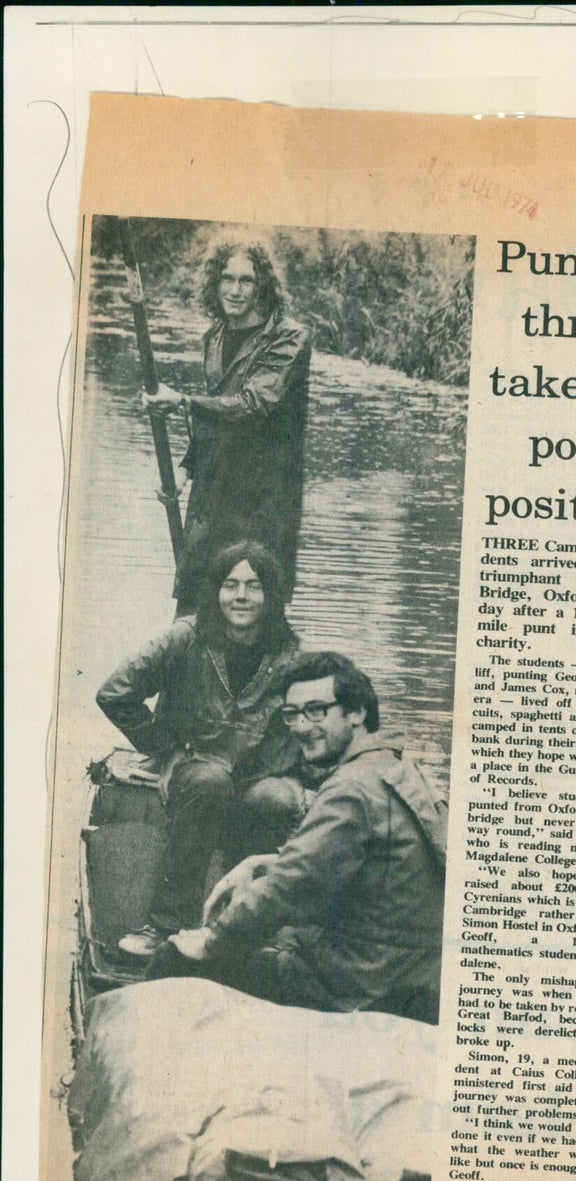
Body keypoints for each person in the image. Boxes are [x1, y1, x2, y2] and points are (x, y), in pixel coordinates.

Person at [147, 652, 448, 1024]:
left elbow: (287, 889)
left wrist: (210, 941)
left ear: (356, 713)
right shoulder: (397, 768)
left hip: (357, 988)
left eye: (317, 711)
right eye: (292, 714)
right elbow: (359, 862)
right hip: (409, 977)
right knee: (279, 934)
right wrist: (264, 863)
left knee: (172, 957)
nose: (302, 727)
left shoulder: (349, 789)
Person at [96, 541, 303, 958]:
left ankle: (244, 927)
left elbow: (311, 721)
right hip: (193, 766)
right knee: (209, 782)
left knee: (277, 798)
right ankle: (166, 923)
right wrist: (167, 749)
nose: (241, 596)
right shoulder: (183, 638)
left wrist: (301, 779)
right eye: (230, 585)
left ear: (271, 595)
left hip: (254, 775)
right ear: (216, 591)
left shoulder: (291, 655)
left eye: (254, 585)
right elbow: (114, 692)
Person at [144, 242, 311, 614]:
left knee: (248, 620)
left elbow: (253, 406)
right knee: (192, 615)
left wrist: (183, 402)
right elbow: (216, 418)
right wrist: (185, 469)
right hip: (211, 499)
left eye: (246, 281)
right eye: (227, 279)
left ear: (262, 286)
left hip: (260, 507)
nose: (235, 291)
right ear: (215, 284)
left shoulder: (290, 339)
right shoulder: (215, 337)